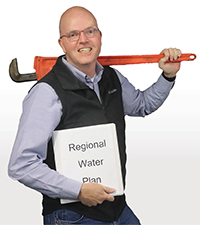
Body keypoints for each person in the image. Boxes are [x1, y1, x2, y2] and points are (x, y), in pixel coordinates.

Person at [8, 6, 182, 225]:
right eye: (73, 35)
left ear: (100, 37)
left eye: (90, 31)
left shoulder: (112, 78)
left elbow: (143, 105)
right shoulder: (46, 93)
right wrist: (78, 190)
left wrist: (168, 75)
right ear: (61, 44)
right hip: (73, 216)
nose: (83, 40)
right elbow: (21, 165)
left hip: (116, 207)